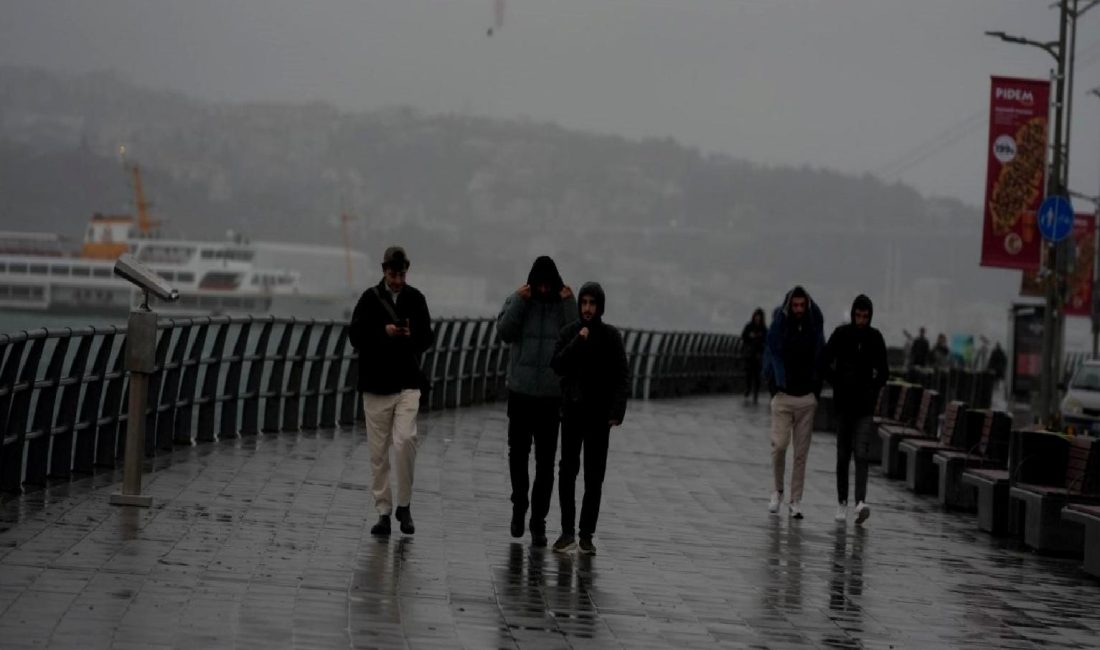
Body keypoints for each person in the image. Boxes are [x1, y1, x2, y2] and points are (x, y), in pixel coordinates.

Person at [349, 246, 433, 537]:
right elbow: (355, 336)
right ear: (384, 271)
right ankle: (384, 510)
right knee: (378, 454)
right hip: (375, 385)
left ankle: (405, 505)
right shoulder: (369, 299)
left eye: (401, 274)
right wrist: (382, 332)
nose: (397, 280)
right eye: (393, 274)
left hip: (408, 382)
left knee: (406, 439)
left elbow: (427, 339)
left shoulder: (416, 299)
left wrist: (412, 335)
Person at [496, 256, 576, 547]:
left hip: (551, 398)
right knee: (517, 455)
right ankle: (520, 505)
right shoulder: (520, 300)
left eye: (548, 284)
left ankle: (538, 521)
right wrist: (519, 300)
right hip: (520, 393)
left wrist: (569, 303)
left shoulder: (563, 306)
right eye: (538, 283)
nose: (543, 289)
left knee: (545, 463)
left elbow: (577, 338)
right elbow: (504, 332)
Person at [550, 282, 629, 555]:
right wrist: (577, 341)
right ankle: (567, 531)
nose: (587, 308)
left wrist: (616, 412)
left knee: (594, 477)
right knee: (567, 472)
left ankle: (586, 534)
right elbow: (557, 364)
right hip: (572, 412)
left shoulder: (611, 337)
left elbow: (622, 375)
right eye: (583, 303)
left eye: (592, 303)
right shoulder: (570, 333)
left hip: (599, 416)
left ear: (600, 306)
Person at [819, 295, 888, 525]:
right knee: (842, 455)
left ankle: (860, 503)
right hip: (844, 405)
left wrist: (872, 389)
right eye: (858, 315)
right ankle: (842, 502)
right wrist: (836, 382)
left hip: (865, 408)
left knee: (861, 453)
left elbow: (884, 371)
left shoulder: (875, 338)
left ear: (870, 316)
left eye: (865, 316)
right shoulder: (841, 335)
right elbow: (823, 361)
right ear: (852, 314)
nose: (861, 320)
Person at [762, 286, 825, 519]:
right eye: (795, 305)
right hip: (783, 396)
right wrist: (774, 386)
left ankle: (795, 500)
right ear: (789, 306)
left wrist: (815, 392)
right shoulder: (780, 327)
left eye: (802, 305)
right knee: (779, 446)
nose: (798, 309)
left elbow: (821, 354)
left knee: (801, 453)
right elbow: (770, 354)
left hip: (806, 397)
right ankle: (777, 491)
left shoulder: (814, 327)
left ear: (807, 305)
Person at [741, 308, 768, 403]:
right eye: (756, 316)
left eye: (759, 317)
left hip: (758, 355)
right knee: (748, 373)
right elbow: (743, 336)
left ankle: (755, 392)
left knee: (757, 375)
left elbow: (766, 340)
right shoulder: (749, 326)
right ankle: (748, 389)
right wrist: (750, 336)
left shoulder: (764, 329)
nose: (757, 318)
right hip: (749, 354)